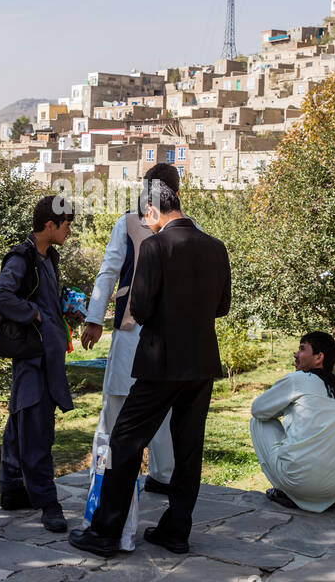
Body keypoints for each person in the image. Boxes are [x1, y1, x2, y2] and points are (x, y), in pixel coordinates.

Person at [69, 176, 231, 557]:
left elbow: (139, 308)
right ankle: (176, 530)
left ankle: (105, 532)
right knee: (189, 449)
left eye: (148, 217)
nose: (148, 223)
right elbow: (222, 307)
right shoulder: (216, 247)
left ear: (155, 210)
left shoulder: (156, 247)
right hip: (202, 362)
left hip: (160, 361)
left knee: (125, 441)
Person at [80, 163, 179, 495]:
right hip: (168, 338)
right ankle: (164, 476)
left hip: (132, 331)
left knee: (115, 408)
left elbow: (108, 272)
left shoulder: (128, 222)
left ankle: (103, 472)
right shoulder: (188, 228)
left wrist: (95, 319)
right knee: (161, 408)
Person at [0, 194, 76, 532]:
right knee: (36, 428)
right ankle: (47, 503)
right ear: (50, 225)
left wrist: (60, 309)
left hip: (47, 358)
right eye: (67, 224)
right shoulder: (21, 257)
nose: (70, 230)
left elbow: (43, 300)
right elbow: (0, 296)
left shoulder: (47, 257)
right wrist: (34, 313)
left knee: (20, 421)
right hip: (33, 358)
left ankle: (12, 491)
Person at [250, 331, 335, 513]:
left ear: (318, 357)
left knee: (258, 421)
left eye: (301, 349)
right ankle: (323, 496)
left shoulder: (298, 379)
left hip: (300, 483)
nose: (295, 354)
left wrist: (284, 408)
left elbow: (258, 409)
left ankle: (287, 492)